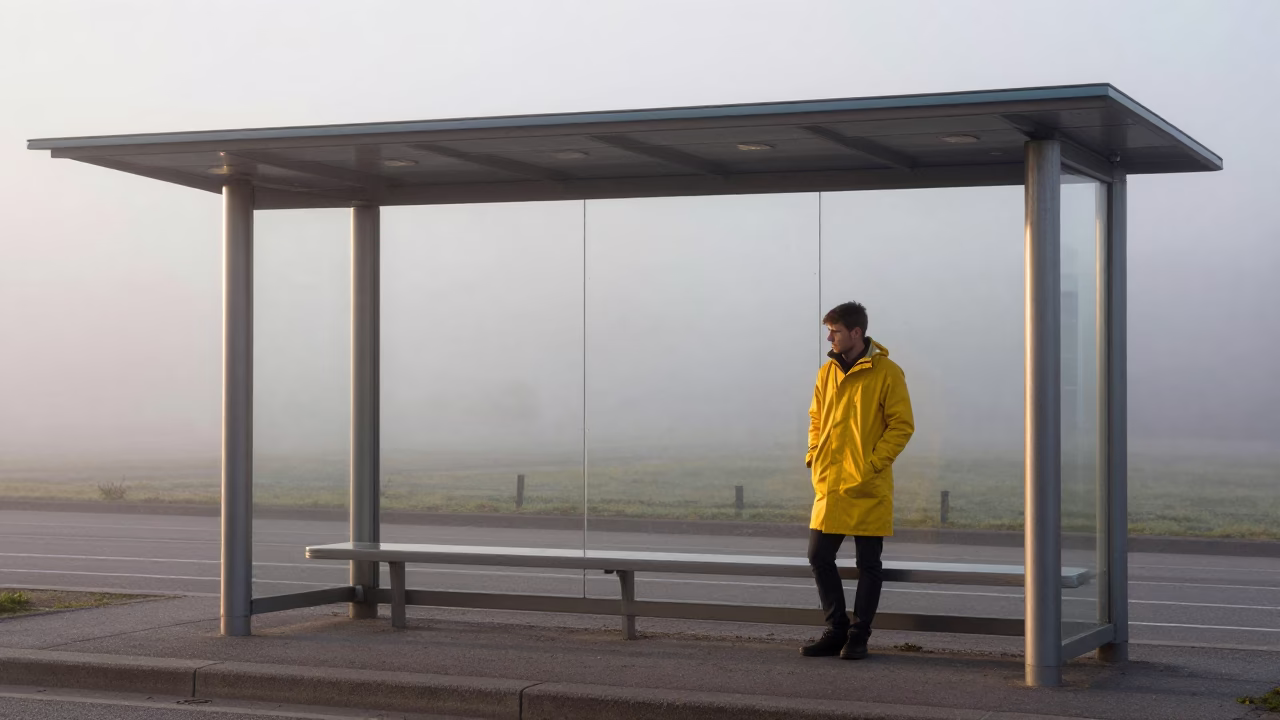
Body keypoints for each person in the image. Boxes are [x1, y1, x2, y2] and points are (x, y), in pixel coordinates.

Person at [801, 301, 914, 660]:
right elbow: (816, 417)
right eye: (828, 331)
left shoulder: (888, 373)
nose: (829, 338)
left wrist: (873, 464)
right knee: (819, 556)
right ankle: (836, 630)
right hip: (831, 485)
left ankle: (859, 636)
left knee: (868, 565)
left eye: (834, 331)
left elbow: (902, 425)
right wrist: (813, 454)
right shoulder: (826, 373)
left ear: (856, 332)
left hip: (868, 485)